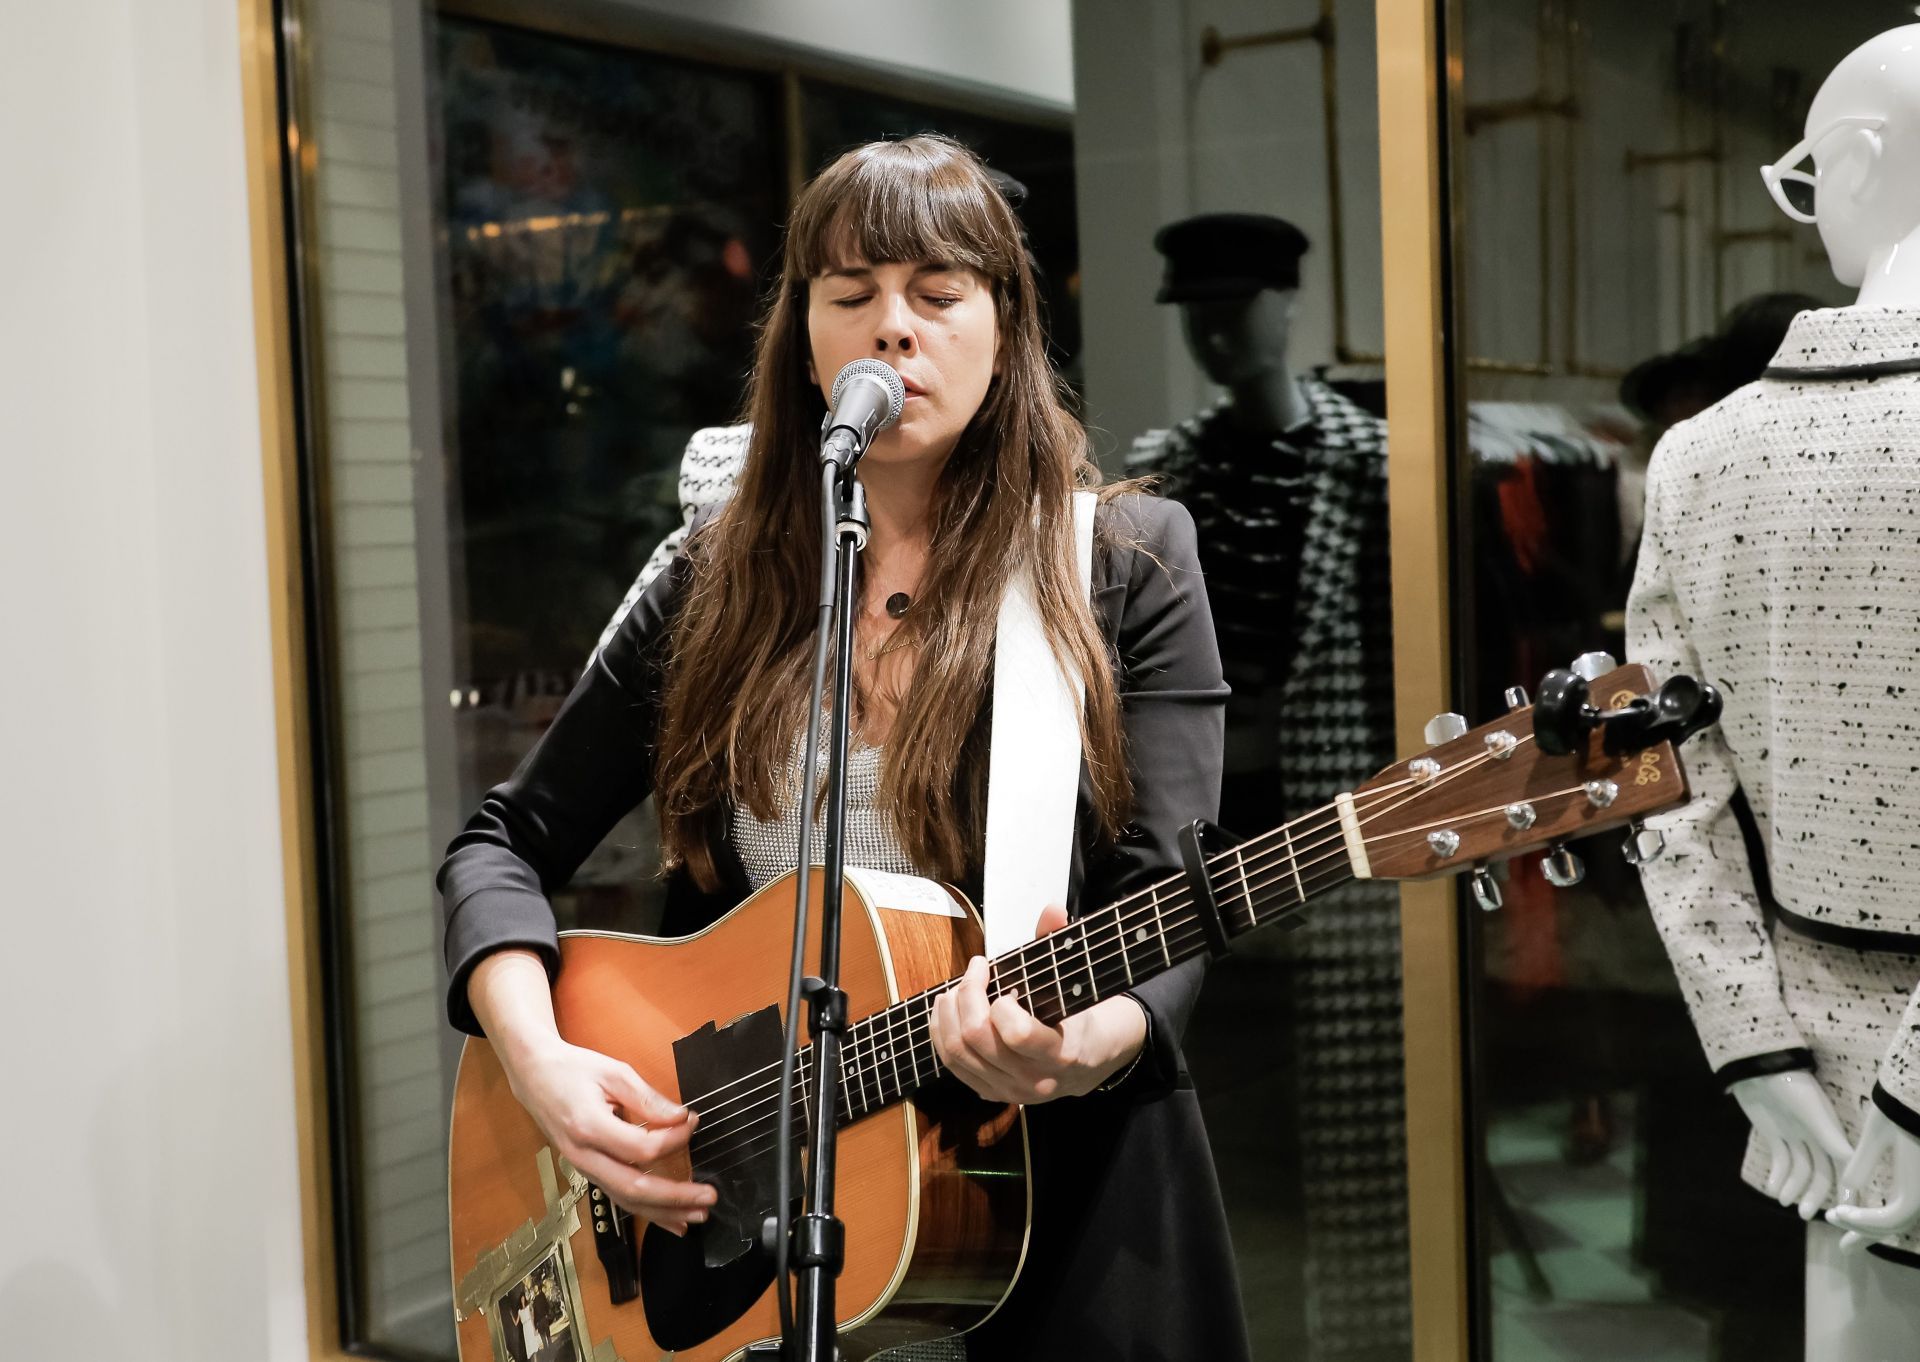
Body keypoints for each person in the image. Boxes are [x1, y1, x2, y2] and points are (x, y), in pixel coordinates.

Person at [438, 134, 1248, 1359]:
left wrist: (1090, 1042)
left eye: (938, 294)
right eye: (851, 294)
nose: (894, 330)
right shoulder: (718, 578)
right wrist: (540, 1058)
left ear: (1006, 321)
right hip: (750, 1236)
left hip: (1057, 1203)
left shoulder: (1121, 566)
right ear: (803, 334)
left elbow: (1169, 890)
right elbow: (504, 839)